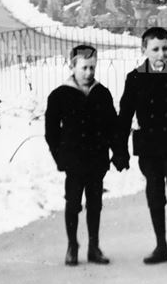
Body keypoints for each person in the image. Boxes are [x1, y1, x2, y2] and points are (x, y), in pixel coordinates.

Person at [114, 26, 167, 267]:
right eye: (155, 49)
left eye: (165, 48)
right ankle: (161, 246)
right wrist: (119, 150)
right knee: (155, 196)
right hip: (148, 148)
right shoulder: (134, 78)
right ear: (144, 50)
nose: (161, 54)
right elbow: (124, 116)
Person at [45, 44, 124, 266]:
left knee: (95, 203)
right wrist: (60, 157)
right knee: (72, 203)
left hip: (97, 159)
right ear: (72, 66)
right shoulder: (60, 95)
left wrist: (117, 152)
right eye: (84, 68)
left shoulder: (102, 93)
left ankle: (93, 246)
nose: (89, 73)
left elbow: (112, 127)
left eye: (92, 67)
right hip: (73, 160)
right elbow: (51, 132)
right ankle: (72, 245)